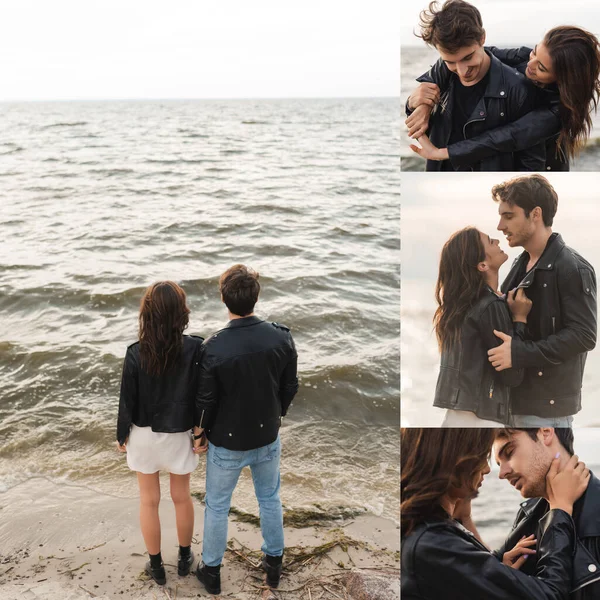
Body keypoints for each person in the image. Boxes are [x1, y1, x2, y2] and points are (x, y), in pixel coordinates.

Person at [194, 265, 299, 595]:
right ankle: (274, 565)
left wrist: (199, 434)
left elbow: (205, 401)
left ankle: (211, 571)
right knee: (269, 498)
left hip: (226, 443)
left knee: (217, 506)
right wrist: (276, 414)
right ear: (257, 295)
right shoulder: (281, 337)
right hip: (268, 436)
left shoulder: (213, 347)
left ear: (223, 299)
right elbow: (290, 386)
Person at [401, 428, 589, 599]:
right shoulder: (430, 544)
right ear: (449, 459)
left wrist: (497, 569)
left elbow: (459, 573)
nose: (488, 469)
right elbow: (550, 595)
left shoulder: (426, 531)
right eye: (482, 456)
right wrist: (560, 509)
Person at [407, 26, 600, 171]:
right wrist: (425, 99)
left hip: (541, 167)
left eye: (541, 68)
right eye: (534, 52)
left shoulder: (556, 112)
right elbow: (469, 54)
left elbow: (506, 136)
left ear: (564, 80)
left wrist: (442, 153)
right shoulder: (526, 57)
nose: (529, 65)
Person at [486, 175, 597, 427]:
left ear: (535, 214)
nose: (500, 226)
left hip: (547, 413)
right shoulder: (520, 262)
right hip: (513, 402)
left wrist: (520, 354)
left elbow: (584, 336)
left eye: (508, 216)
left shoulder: (572, 268)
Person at [116, 281, 206, 585]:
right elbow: (201, 396)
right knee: (181, 497)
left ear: (147, 313)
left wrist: (121, 436)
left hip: (142, 434)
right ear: (182, 313)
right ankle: (184, 558)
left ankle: (155, 566)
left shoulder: (135, 352)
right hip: (178, 434)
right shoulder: (195, 348)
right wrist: (200, 431)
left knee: (148, 500)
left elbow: (126, 399)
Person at [404, 0, 545, 172]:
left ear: (482, 38)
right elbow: (421, 123)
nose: (462, 71)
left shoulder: (519, 90)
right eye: (450, 62)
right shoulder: (439, 76)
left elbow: (531, 165)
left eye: (467, 58)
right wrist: (413, 104)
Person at [433, 227, 530, 426]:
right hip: (482, 418)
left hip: (454, 417)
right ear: (482, 265)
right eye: (489, 241)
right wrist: (520, 319)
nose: (496, 240)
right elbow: (512, 375)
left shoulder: (458, 309)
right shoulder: (490, 306)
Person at [493, 428, 600, 599]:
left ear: (546, 433)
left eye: (509, 452)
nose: (501, 473)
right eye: (498, 464)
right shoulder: (527, 514)